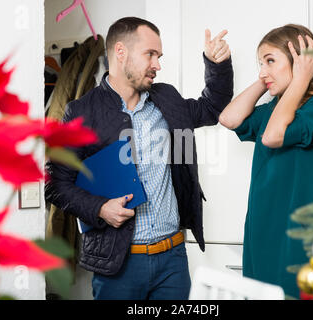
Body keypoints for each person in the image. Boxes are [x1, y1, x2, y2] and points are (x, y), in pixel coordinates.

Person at [45, 17, 233, 300]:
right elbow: (56, 185)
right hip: (117, 263)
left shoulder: (167, 98)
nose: (158, 64)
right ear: (121, 52)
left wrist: (216, 65)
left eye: (159, 56)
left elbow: (211, 107)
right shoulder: (81, 113)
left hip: (173, 259)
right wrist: (100, 208)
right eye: (151, 55)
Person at [219, 24, 313, 298]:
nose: (263, 70)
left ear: (302, 60)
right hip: (264, 234)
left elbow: (273, 137)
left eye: (270, 60)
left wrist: (300, 78)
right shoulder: (275, 109)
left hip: (309, 243)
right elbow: (229, 118)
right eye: (260, 63)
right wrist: (265, 78)